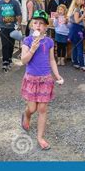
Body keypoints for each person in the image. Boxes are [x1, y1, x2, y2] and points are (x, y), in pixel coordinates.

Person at [20, 10, 63, 151]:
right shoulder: (27, 41)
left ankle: (40, 137)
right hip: (31, 79)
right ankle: (26, 115)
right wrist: (32, 49)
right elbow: (23, 61)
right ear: (32, 25)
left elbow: (51, 60)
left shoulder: (49, 42)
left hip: (46, 79)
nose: (38, 25)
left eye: (41, 23)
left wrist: (57, 75)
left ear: (46, 27)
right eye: (36, 23)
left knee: (42, 108)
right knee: (32, 108)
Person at [68, 0, 85, 71]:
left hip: (73, 29)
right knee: (80, 47)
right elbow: (76, 21)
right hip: (77, 29)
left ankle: (75, 63)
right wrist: (83, 15)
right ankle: (82, 64)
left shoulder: (75, 8)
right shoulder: (76, 9)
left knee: (75, 46)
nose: (84, 1)